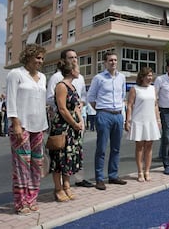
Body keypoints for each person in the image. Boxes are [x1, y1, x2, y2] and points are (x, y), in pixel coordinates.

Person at [6, 44, 48, 215]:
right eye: (37, 57)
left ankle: (32, 198)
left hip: (39, 126)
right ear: (28, 57)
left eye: (42, 58)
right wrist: (15, 122)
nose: (40, 61)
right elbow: (11, 100)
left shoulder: (43, 77)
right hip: (21, 126)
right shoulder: (16, 74)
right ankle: (21, 202)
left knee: (37, 165)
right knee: (22, 166)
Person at [46, 49, 93, 188]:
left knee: (74, 152)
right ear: (64, 60)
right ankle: (60, 186)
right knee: (61, 153)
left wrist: (79, 116)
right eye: (71, 57)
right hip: (63, 121)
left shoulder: (80, 78)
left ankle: (78, 179)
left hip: (78, 119)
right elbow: (50, 99)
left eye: (76, 57)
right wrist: (67, 113)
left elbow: (82, 97)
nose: (74, 60)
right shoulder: (57, 78)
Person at [87, 52, 127, 190]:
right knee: (102, 148)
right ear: (105, 62)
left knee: (116, 148)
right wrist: (100, 110)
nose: (113, 62)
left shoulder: (121, 77)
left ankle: (113, 175)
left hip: (118, 115)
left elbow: (122, 95)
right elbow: (91, 97)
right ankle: (99, 178)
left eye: (115, 60)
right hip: (104, 114)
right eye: (110, 60)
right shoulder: (98, 78)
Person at [49, 60, 84, 202]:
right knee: (59, 157)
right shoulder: (61, 86)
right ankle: (58, 188)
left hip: (73, 126)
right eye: (77, 68)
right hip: (62, 126)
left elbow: (76, 106)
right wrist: (74, 123)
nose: (79, 70)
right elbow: (62, 109)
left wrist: (80, 120)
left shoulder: (73, 86)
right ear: (71, 71)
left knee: (69, 157)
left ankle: (67, 186)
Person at [125, 67, 161, 182]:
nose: (150, 78)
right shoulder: (134, 89)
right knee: (139, 147)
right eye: (147, 76)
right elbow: (129, 106)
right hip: (138, 120)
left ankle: (147, 171)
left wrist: (158, 119)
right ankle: (140, 172)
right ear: (142, 77)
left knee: (149, 146)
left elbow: (155, 105)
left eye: (151, 75)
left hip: (151, 120)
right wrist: (128, 120)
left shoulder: (153, 89)